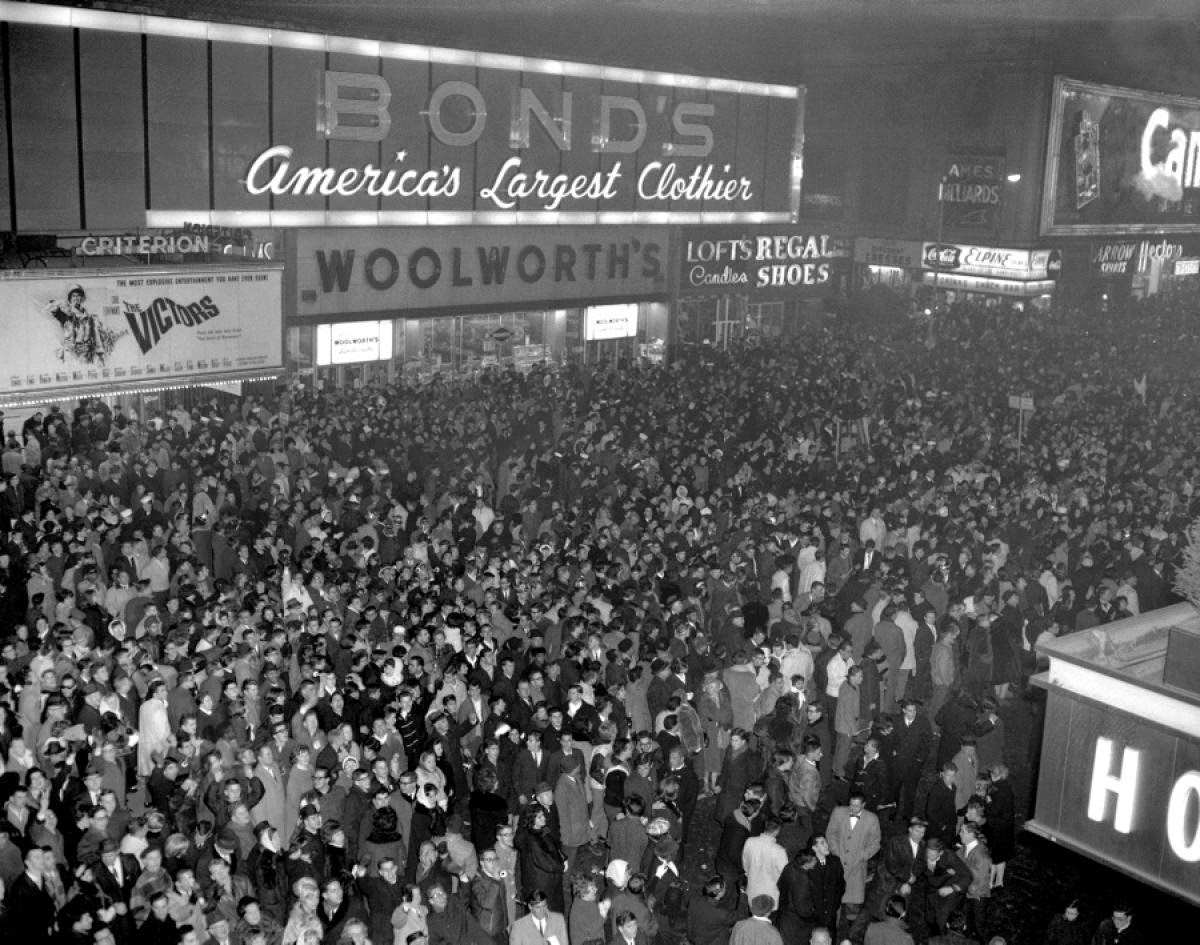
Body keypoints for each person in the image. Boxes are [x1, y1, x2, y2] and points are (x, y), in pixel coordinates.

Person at [826, 793, 881, 939]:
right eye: (851, 804)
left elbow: (875, 843)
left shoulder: (872, 819)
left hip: (857, 868)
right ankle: (833, 934)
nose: (853, 808)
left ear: (863, 805)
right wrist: (836, 851)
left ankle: (851, 934)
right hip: (837, 866)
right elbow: (830, 834)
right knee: (833, 902)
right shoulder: (838, 812)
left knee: (853, 904)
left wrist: (863, 855)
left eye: (856, 805)